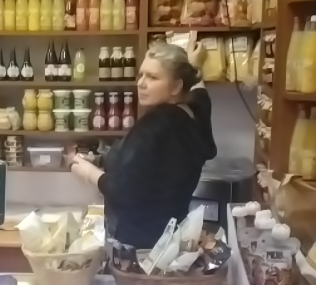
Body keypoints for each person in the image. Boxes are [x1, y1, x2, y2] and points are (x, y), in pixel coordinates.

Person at [70, 41, 216, 248]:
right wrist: (194, 65)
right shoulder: (195, 112)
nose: (141, 83)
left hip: (138, 244)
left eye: (153, 77)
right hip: (171, 236)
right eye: (141, 75)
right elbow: (199, 93)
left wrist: (88, 172)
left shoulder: (153, 127)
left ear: (176, 86)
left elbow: (124, 193)